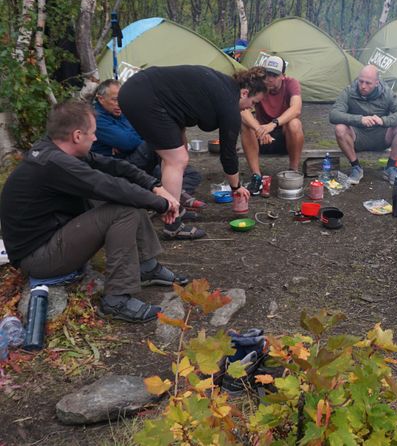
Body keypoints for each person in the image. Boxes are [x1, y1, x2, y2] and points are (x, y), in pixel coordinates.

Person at [0, 100, 189, 323]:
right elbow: (109, 186)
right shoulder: (56, 164)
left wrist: (154, 187)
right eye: (93, 133)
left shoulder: (54, 150)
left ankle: (145, 267)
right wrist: (163, 204)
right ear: (77, 136)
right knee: (123, 209)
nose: (96, 138)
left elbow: (116, 167)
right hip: (39, 258)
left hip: (50, 236)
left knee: (128, 197)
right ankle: (116, 300)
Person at [119, 66, 267, 239]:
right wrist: (236, 187)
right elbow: (228, 154)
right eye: (253, 102)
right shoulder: (229, 102)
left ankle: (175, 208)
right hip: (143, 95)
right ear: (244, 93)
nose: (250, 108)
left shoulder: (225, 85)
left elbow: (179, 104)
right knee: (177, 160)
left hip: (142, 90)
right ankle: (172, 226)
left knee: (177, 155)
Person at [92, 79, 205, 210]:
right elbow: (128, 142)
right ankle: (170, 202)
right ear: (101, 99)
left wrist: (128, 141)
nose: (119, 104)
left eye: (121, 99)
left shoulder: (122, 110)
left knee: (190, 174)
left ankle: (167, 199)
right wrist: (131, 140)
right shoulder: (97, 118)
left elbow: (140, 132)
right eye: (115, 100)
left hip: (135, 159)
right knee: (156, 142)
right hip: (117, 167)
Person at [329, 64, 397, 184]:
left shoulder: (386, 93)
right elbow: (334, 114)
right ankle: (356, 167)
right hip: (358, 136)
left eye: (368, 83)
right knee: (340, 129)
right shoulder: (349, 91)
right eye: (361, 81)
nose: (363, 86)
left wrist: (384, 121)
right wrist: (359, 119)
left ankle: (390, 167)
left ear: (377, 83)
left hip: (382, 136)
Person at [239, 57, 304, 195]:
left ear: (283, 76)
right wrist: (259, 128)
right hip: (261, 135)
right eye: (268, 74)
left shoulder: (291, 83)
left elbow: (296, 108)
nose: (270, 78)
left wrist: (273, 124)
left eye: (275, 75)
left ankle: (293, 171)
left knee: (295, 123)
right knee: (245, 125)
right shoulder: (257, 85)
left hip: (284, 138)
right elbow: (243, 109)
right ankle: (256, 177)